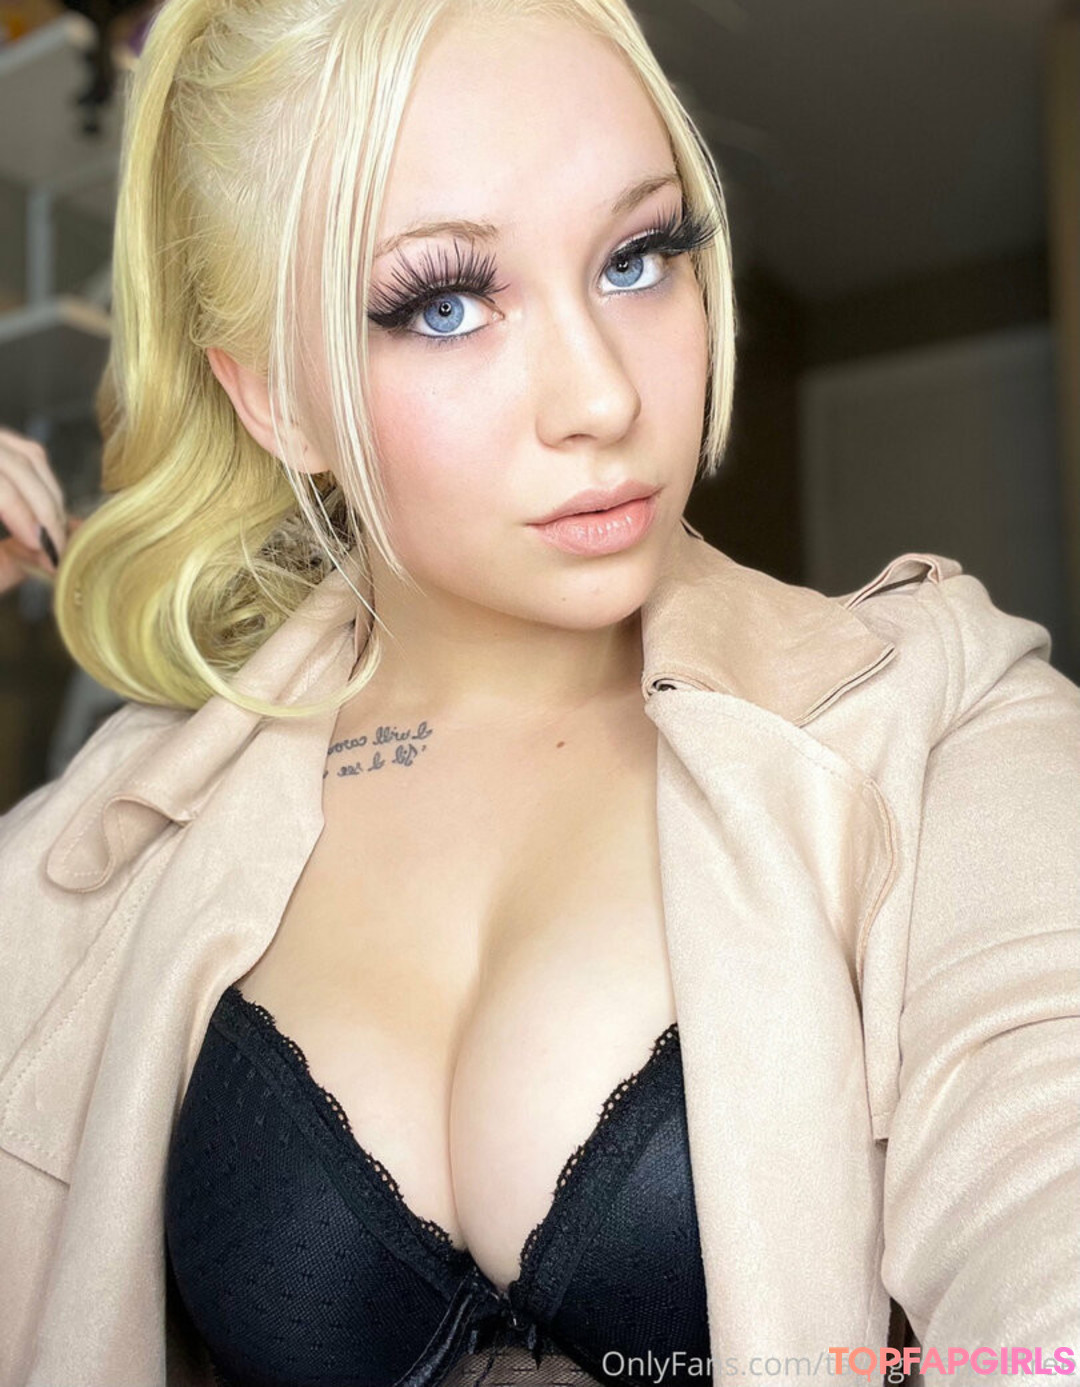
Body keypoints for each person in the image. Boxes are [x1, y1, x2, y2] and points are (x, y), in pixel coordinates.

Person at [0, 2, 1077, 1386]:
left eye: (637, 258)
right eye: (443, 303)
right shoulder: (110, 848)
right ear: (277, 401)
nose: (600, 398)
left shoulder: (943, 725)